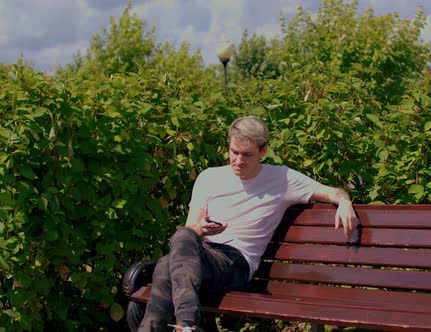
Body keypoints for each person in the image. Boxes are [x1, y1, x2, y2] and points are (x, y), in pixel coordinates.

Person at [138, 115, 356, 332]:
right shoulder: (209, 178)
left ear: (263, 152)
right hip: (201, 257)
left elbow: (332, 192)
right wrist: (200, 229)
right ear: (229, 146)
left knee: (168, 264)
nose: (239, 161)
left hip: (236, 262)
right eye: (234, 152)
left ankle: (184, 324)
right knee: (179, 243)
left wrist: (344, 201)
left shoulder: (282, 179)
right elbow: (190, 230)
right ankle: (187, 325)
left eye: (247, 155)